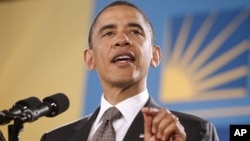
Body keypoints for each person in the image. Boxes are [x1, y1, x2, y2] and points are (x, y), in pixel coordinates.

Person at [40, 1, 219, 141]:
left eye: (135, 31)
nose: (122, 40)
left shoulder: (194, 132)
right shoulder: (55, 138)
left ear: (155, 56)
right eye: (108, 33)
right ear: (90, 59)